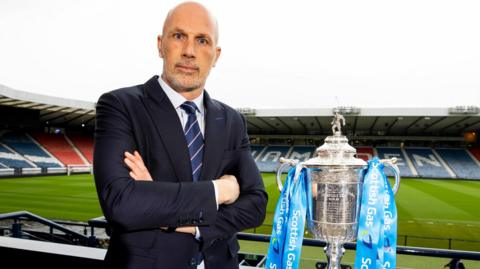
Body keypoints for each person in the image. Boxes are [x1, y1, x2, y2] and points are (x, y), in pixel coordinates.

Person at [93, 2, 268, 269]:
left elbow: (255, 205)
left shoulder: (232, 120)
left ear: (216, 55)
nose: (189, 51)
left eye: (202, 40)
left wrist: (172, 217)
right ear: (160, 44)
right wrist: (219, 191)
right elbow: (123, 203)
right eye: (178, 36)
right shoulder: (121, 105)